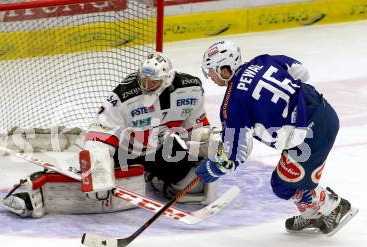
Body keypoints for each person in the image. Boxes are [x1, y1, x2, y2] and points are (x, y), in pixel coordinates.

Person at [196, 39, 358, 236]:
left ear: (224, 69)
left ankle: (334, 207)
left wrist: (215, 167)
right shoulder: (262, 61)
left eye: (211, 71)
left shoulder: (233, 103)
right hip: (324, 111)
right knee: (290, 179)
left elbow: (236, 154)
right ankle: (313, 213)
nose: (210, 76)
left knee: (282, 185)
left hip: (311, 134)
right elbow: (301, 71)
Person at [84, 51, 215, 204]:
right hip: (126, 152)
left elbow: (196, 128)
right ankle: (145, 174)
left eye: (153, 82)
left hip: (160, 150)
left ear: (167, 79)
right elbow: (100, 132)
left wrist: (208, 147)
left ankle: (156, 179)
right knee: (105, 196)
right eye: (143, 80)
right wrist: (99, 171)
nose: (146, 86)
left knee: (195, 185)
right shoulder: (124, 95)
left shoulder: (190, 90)